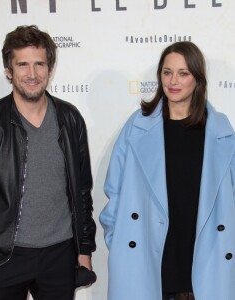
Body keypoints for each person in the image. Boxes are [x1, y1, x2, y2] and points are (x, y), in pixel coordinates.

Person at [0, 25, 96, 300]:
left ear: (50, 69)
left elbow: (82, 191)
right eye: (23, 65)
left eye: (39, 64)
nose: (32, 74)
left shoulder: (70, 119)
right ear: (9, 70)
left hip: (60, 255)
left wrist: (84, 249)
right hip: (4, 257)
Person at [99, 41, 235, 300]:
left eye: (183, 73)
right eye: (167, 72)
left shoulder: (220, 131)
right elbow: (114, 191)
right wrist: (120, 243)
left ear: (197, 79)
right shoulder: (137, 127)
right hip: (146, 260)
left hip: (205, 261)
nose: (173, 80)